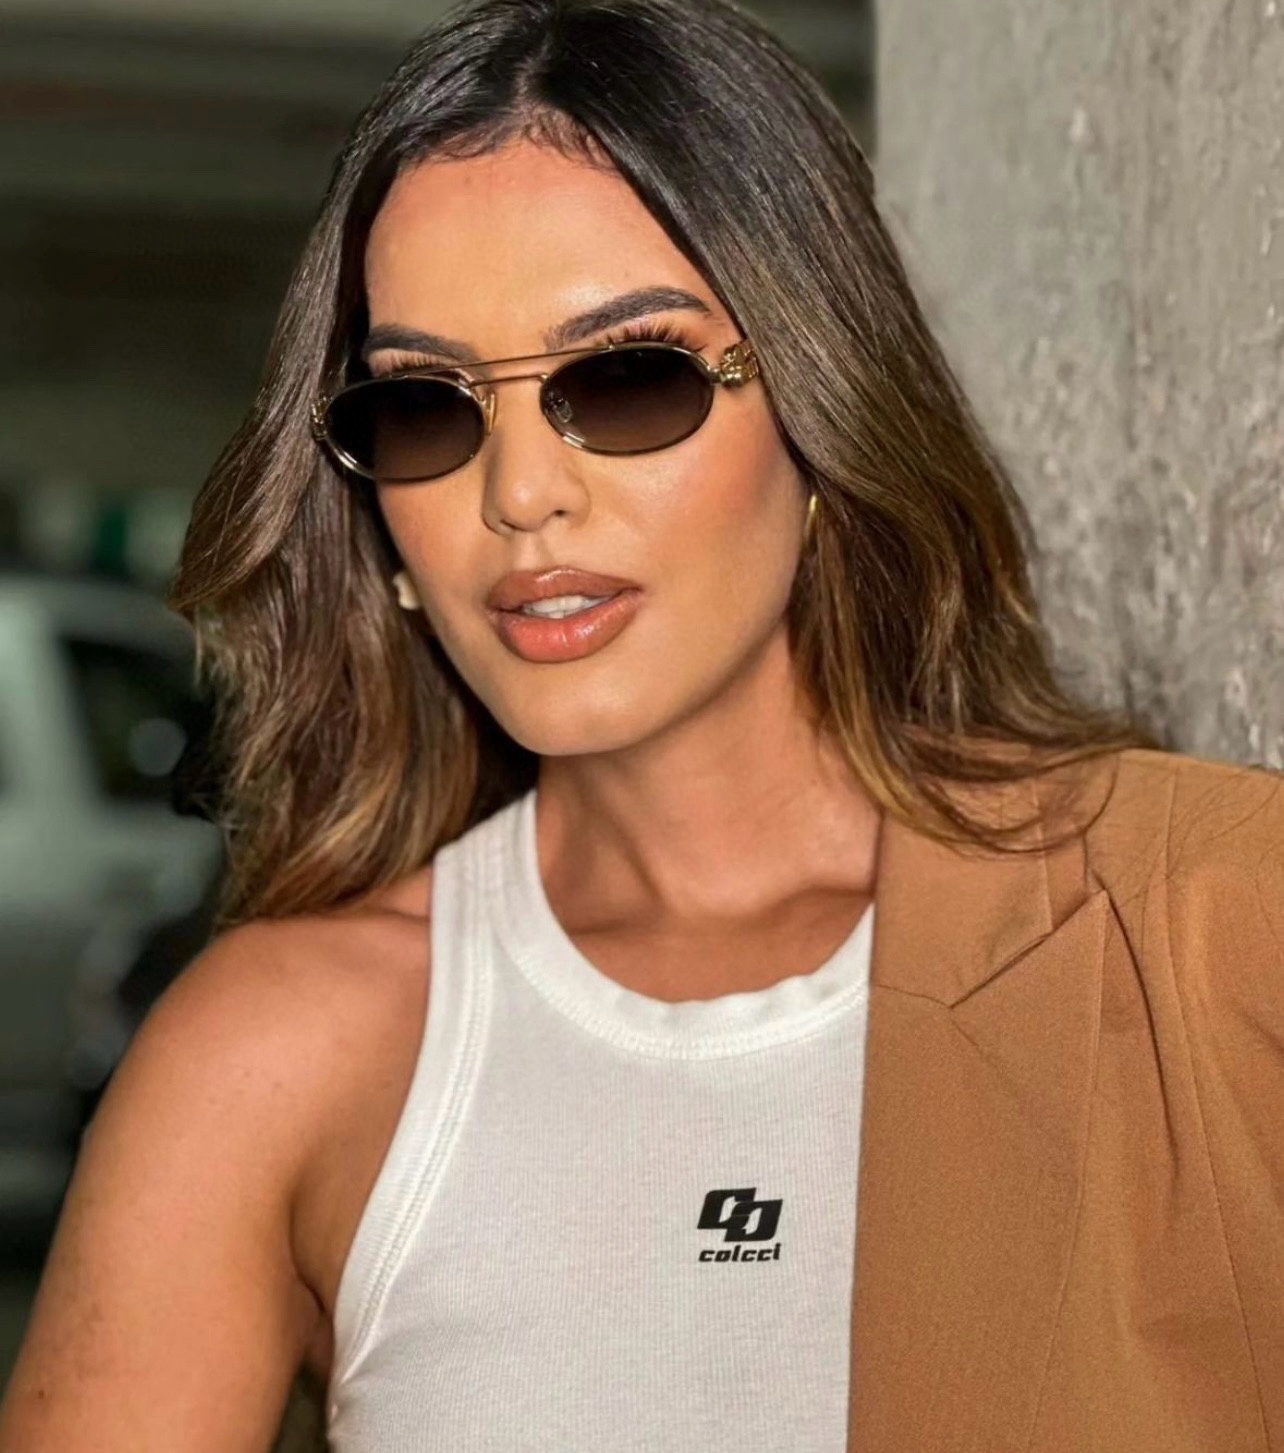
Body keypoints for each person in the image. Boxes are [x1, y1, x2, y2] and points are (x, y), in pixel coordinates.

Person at [3, 0, 1281, 1449]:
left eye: (625, 377)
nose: (520, 495)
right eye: (426, 408)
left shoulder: (1195, 934)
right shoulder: (278, 1055)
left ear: (821, 404)